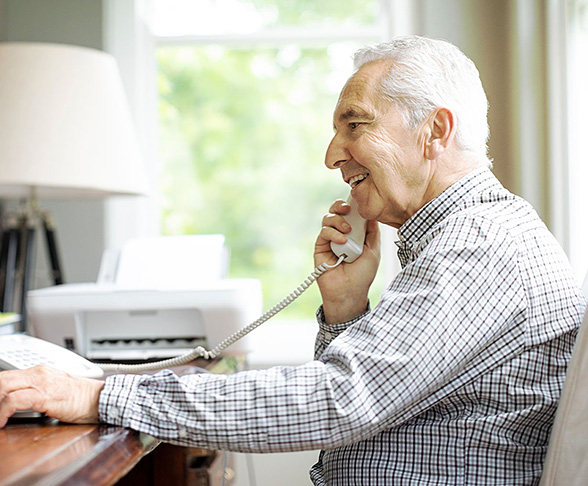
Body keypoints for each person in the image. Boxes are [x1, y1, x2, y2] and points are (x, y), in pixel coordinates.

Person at [0, 36, 585, 485]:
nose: (333, 155)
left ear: (435, 130)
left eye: (354, 125)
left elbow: (339, 401)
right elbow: (376, 404)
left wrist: (99, 396)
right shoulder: (464, 239)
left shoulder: (479, 245)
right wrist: (347, 309)